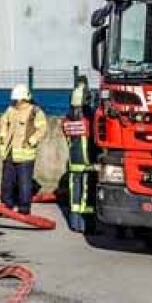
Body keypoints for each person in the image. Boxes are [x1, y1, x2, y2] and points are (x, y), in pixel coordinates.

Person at [0, 84, 47, 215]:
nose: (15, 102)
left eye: (17, 99)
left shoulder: (35, 111)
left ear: (23, 99)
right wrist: (2, 136)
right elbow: (3, 122)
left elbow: (42, 129)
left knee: (24, 183)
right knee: (7, 182)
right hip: (10, 152)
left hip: (25, 154)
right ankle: (6, 204)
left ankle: (24, 208)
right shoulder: (10, 110)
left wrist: (32, 141)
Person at [62, 76, 96, 233]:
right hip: (88, 162)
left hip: (73, 162)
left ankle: (74, 224)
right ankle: (86, 225)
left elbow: (68, 137)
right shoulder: (89, 118)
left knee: (74, 194)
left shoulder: (67, 119)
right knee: (87, 195)